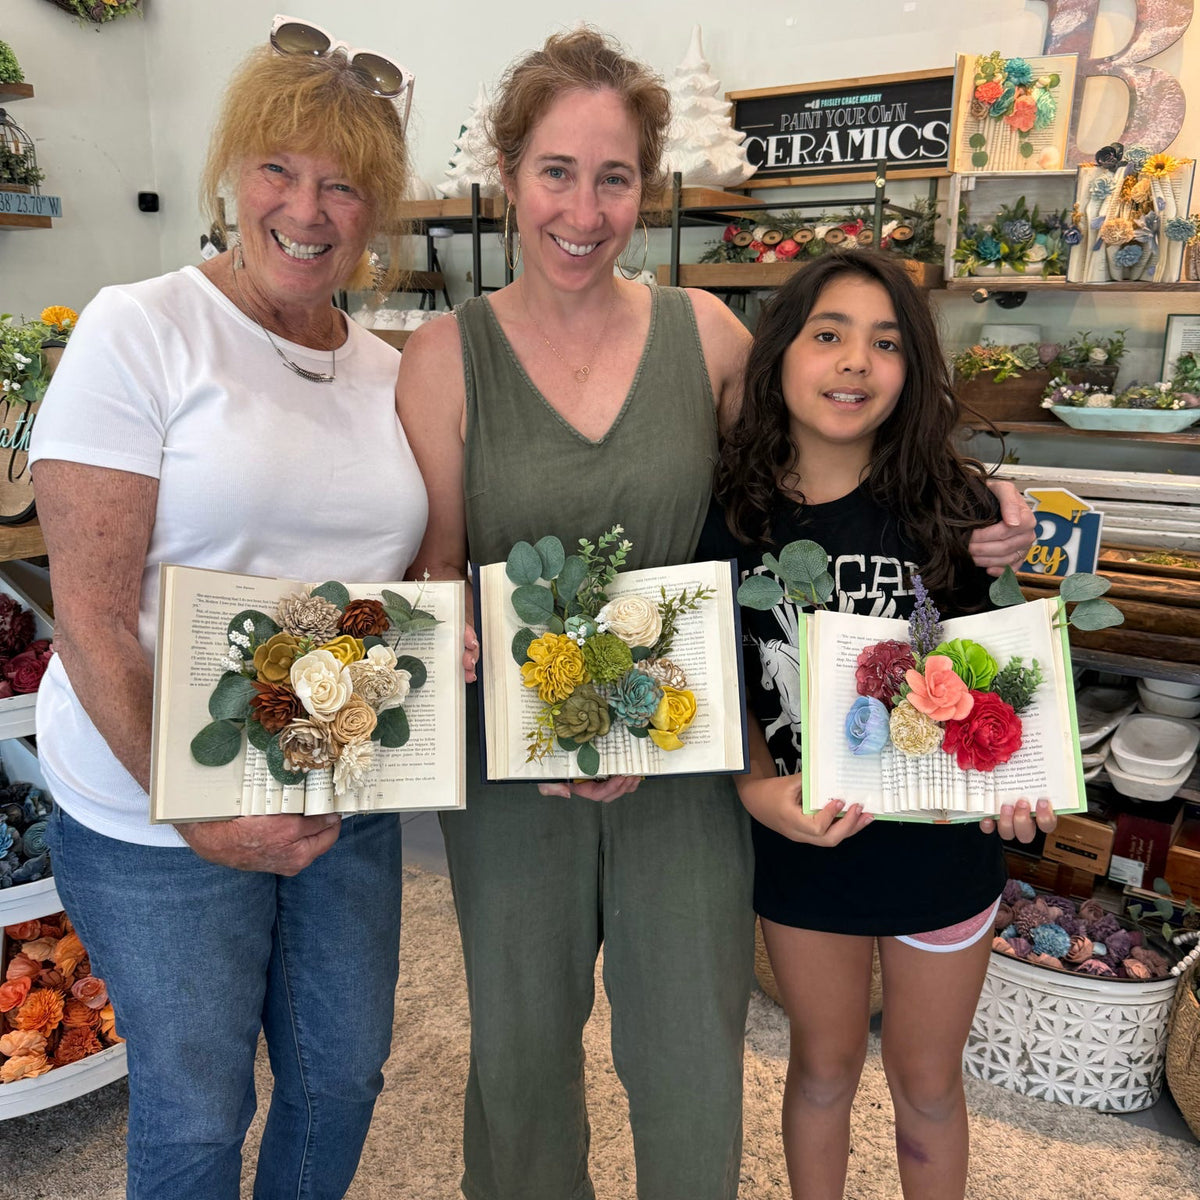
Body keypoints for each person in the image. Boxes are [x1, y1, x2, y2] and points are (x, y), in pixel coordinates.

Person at [397, 28, 1037, 1200]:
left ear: (648, 185)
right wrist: (449, 619)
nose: (583, 209)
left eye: (614, 176)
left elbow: (834, 452)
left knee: (689, 1057)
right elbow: (438, 560)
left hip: (694, 768)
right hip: (514, 774)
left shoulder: (707, 335)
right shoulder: (445, 356)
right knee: (524, 1056)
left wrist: (996, 505)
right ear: (507, 172)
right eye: (555, 171)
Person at [31, 25, 424, 1200]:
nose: (307, 209)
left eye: (343, 184)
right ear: (231, 175)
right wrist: (190, 803)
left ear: (377, 211)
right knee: (199, 1112)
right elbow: (91, 619)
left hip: (340, 790)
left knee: (342, 1077)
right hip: (155, 818)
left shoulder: (388, 371)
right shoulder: (139, 329)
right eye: (279, 170)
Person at [699, 248, 1059, 1200]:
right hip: (805, 845)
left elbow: (1011, 683)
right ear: (780, 354)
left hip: (942, 858)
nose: (855, 362)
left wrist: (1028, 788)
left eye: (885, 343)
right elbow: (726, 679)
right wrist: (750, 787)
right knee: (821, 1070)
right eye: (829, 335)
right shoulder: (733, 517)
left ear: (912, 372)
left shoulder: (961, 511)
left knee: (929, 1086)